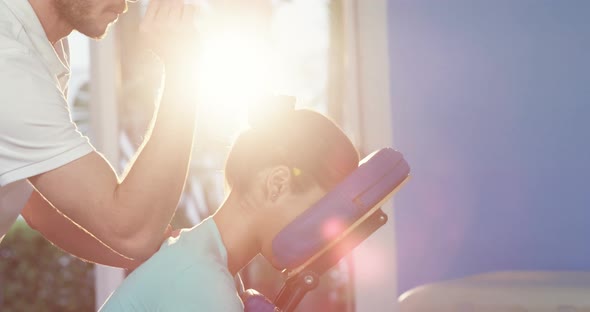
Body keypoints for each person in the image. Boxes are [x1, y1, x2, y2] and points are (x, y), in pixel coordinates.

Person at [98, 103, 361, 311]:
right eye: (319, 212)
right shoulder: (203, 283)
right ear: (277, 184)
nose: (323, 235)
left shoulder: (199, 260)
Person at [0, 0, 200, 267]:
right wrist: (182, 69)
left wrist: (161, 259)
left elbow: (39, 206)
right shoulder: (10, 64)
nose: (125, 6)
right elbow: (129, 229)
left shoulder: (45, 46)